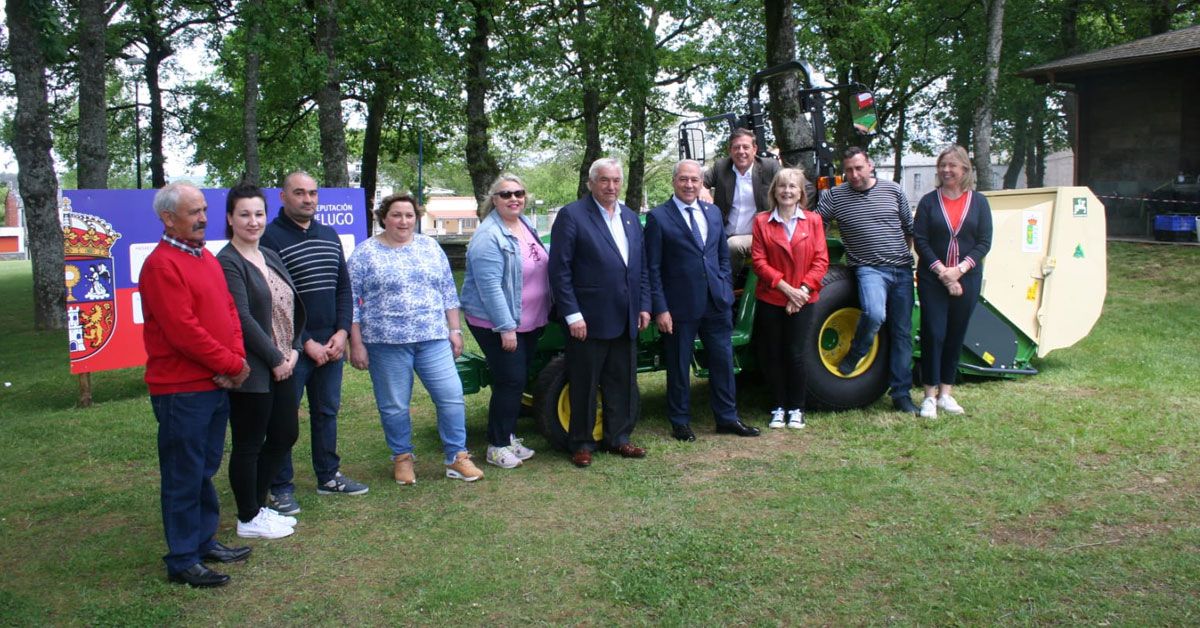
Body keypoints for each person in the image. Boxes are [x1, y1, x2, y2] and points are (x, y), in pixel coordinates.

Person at [140, 182, 251, 588]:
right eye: (193, 212)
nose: (203, 218)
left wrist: (236, 360)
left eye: (204, 209)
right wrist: (230, 364)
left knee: (204, 467)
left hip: (214, 382)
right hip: (181, 389)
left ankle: (203, 541)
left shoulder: (204, 256)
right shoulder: (161, 265)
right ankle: (183, 558)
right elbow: (183, 331)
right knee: (184, 473)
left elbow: (228, 312)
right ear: (169, 218)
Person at [348, 194, 484, 484]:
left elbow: (448, 290)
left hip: (433, 339)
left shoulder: (430, 247)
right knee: (394, 404)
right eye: (396, 215)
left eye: (409, 215)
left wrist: (455, 330)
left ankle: (457, 457)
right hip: (385, 342)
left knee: (451, 396)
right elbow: (350, 301)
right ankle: (402, 457)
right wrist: (356, 343)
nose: (403, 221)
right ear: (383, 217)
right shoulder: (365, 253)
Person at [260, 171, 367, 516]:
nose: (307, 199)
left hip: (331, 345)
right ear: (283, 197)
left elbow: (343, 289)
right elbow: (274, 301)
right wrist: (304, 343)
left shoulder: (329, 235)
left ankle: (328, 476)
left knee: (327, 412)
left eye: (312, 193)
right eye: (299, 193)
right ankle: (280, 487)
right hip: (292, 349)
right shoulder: (270, 239)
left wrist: (341, 333)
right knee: (283, 419)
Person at [645, 160, 760, 442]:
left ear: (701, 183)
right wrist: (660, 308)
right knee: (679, 365)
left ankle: (727, 417)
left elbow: (722, 255)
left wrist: (722, 284)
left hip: (716, 302)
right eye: (683, 179)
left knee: (722, 362)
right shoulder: (659, 217)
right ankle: (680, 421)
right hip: (679, 306)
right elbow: (653, 268)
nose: (689, 185)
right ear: (674, 181)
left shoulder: (712, 212)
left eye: (694, 180)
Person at [548, 157, 651, 468]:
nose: (611, 186)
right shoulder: (572, 216)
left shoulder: (630, 218)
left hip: (625, 317)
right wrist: (572, 314)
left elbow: (640, 268)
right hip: (588, 320)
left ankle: (619, 438)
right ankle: (581, 442)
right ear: (591, 183)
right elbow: (559, 270)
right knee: (584, 383)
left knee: (622, 381)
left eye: (616, 180)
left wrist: (644, 305)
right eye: (604, 180)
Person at [217, 184, 306, 540]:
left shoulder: (269, 254)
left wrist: (295, 349)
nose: (253, 221)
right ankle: (248, 515)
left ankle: (256, 505)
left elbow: (290, 306)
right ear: (230, 219)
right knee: (249, 442)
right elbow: (240, 317)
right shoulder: (228, 261)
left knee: (285, 433)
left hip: (286, 360)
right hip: (255, 368)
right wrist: (274, 358)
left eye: (258, 214)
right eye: (244, 214)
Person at [816, 147, 919, 414]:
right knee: (874, 314)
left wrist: (906, 259)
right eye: (849, 170)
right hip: (868, 269)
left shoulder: (893, 190)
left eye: (858, 168)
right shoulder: (835, 196)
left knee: (902, 333)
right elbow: (816, 225)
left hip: (901, 271)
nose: (854, 174)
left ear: (870, 166)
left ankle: (901, 394)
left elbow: (909, 229)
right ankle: (856, 352)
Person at [460, 174, 549, 468]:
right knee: (509, 380)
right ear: (493, 200)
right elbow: (489, 287)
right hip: (498, 322)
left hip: (529, 319)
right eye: (506, 194)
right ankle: (496, 445)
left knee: (518, 379)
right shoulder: (489, 236)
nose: (514, 198)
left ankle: (509, 437)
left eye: (519, 193)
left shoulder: (524, 225)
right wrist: (506, 328)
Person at [913, 145, 993, 418]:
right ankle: (929, 397)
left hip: (967, 278)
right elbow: (920, 240)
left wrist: (958, 270)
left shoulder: (979, 202)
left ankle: (946, 393)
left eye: (953, 166)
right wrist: (942, 272)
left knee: (955, 334)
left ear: (964, 170)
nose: (947, 170)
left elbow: (984, 242)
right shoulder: (928, 202)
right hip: (932, 278)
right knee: (933, 333)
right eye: (943, 165)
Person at [751, 168, 830, 428]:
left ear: (800, 193)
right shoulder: (761, 221)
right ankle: (778, 406)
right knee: (772, 354)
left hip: (804, 299)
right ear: (774, 190)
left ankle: (796, 408)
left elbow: (821, 260)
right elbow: (759, 262)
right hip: (772, 298)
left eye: (792, 187)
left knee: (795, 353)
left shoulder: (813, 221)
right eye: (782, 186)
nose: (787, 191)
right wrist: (787, 290)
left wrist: (802, 292)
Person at [702, 128, 781, 279]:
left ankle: (725, 285)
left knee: (733, 245)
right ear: (730, 150)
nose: (741, 151)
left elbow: (799, 186)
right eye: (736, 147)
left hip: (757, 235)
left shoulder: (769, 167)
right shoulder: (721, 167)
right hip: (723, 233)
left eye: (745, 147)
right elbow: (698, 182)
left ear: (754, 149)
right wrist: (703, 189)